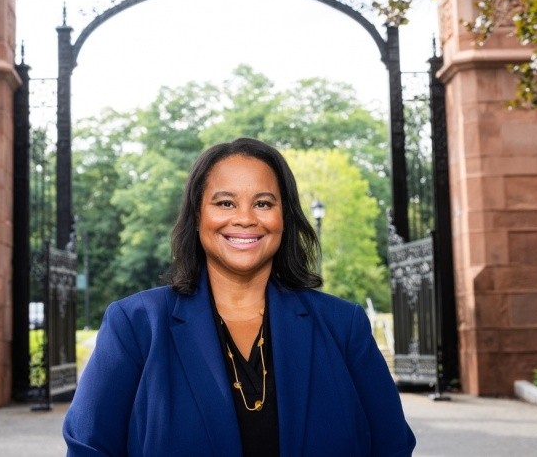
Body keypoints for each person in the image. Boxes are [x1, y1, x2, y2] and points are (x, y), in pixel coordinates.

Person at [63, 137, 416, 456]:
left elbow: (392, 448)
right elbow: (89, 449)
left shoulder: (343, 326)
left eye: (263, 203)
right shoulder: (136, 325)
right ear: (198, 215)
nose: (246, 219)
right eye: (226, 203)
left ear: (284, 217)